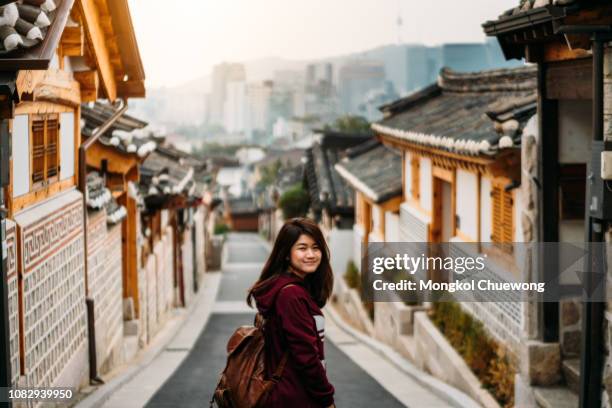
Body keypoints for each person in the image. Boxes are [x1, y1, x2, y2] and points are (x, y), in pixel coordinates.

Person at [247, 218, 336, 408]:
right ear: (286, 254)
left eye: (315, 247)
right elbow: (306, 357)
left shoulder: (285, 288)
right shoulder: (292, 296)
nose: (311, 254)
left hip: (284, 394)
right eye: (302, 248)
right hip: (296, 397)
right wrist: (327, 399)